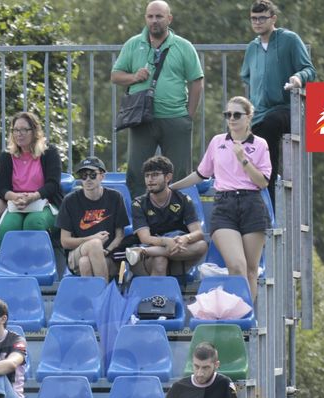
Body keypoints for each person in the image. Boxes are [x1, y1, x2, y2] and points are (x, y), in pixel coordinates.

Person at [171, 96, 271, 300]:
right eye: (228, 114)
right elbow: (201, 174)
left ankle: (246, 320)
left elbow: (262, 182)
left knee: (251, 270)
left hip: (252, 203)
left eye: (237, 114)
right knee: (236, 266)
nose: (232, 119)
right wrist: (171, 187)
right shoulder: (218, 141)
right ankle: (238, 316)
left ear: (248, 117)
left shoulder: (260, 144)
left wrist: (243, 158)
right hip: (224, 204)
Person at [111, 1, 204, 198]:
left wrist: (188, 115)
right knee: (137, 173)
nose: (154, 21)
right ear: (145, 18)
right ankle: (141, 220)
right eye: (150, 16)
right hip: (141, 118)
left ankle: (179, 220)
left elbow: (197, 81)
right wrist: (134, 77)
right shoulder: (133, 44)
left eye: (159, 16)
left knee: (178, 173)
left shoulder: (184, 46)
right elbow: (115, 75)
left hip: (175, 117)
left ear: (169, 19)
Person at [241, 0, 315, 206]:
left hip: (285, 109)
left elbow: (310, 70)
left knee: (270, 126)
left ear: (273, 18)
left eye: (262, 18)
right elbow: (247, 76)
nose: (257, 22)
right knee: (238, 138)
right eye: (253, 19)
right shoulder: (252, 47)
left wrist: (298, 78)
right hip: (258, 113)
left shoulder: (289, 39)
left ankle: (270, 204)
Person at [122, 155, 206, 278]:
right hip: (149, 258)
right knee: (160, 260)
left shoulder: (183, 200)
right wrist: (165, 241)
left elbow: (198, 233)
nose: (150, 179)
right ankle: (157, 297)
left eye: (155, 175)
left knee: (202, 246)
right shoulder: (139, 203)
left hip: (177, 256)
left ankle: (142, 252)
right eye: (147, 176)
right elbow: (145, 238)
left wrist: (185, 239)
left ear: (168, 177)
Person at [0, 111, 63, 250]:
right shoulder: (6, 156)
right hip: (16, 204)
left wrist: (33, 197)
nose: (19, 134)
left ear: (35, 131)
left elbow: (53, 184)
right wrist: (15, 197)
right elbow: (0, 187)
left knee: (33, 223)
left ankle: (37, 269)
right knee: (8, 227)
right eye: (16, 130)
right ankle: (4, 270)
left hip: (45, 203)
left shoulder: (49, 152)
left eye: (24, 129)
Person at [57, 157, 131, 279]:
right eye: (83, 175)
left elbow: (120, 236)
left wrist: (106, 251)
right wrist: (92, 239)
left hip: (108, 255)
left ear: (102, 176)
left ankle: (94, 296)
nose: (87, 180)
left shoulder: (115, 197)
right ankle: (105, 294)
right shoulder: (70, 201)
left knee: (85, 263)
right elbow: (65, 242)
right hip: (76, 254)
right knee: (95, 244)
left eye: (92, 175)